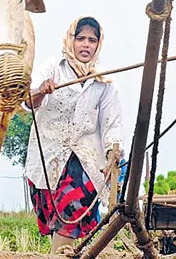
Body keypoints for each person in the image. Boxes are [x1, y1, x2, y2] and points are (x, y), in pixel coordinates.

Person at [22, 16, 126, 253]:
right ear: (71, 41)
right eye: (80, 39)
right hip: (47, 158)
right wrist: (41, 90)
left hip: (84, 162)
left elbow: (112, 124)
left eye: (92, 40)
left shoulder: (105, 81)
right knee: (57, 221)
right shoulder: (52, 68)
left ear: (98, 44)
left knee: (69, 220)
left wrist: (113, 154)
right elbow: (29, 102)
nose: (86, 45)